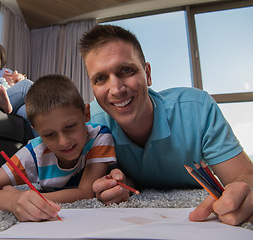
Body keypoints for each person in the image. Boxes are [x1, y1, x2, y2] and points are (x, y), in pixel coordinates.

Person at [79, 24, 253, 226]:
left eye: (126, 70)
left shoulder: (197, 109)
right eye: (100, 78)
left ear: (148, 74)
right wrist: (121, 183)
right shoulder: (92, 122)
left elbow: (243, 176)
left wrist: (244, 192)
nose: (116, 89)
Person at [0, 74, 117, 222]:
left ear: (86, 114)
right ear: (37, 130)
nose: (64, 142)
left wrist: (33, 198)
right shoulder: (34, 152)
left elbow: (86, 192)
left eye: (70, 126)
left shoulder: (99, 136)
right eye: (49, 134)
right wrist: (13, 200)